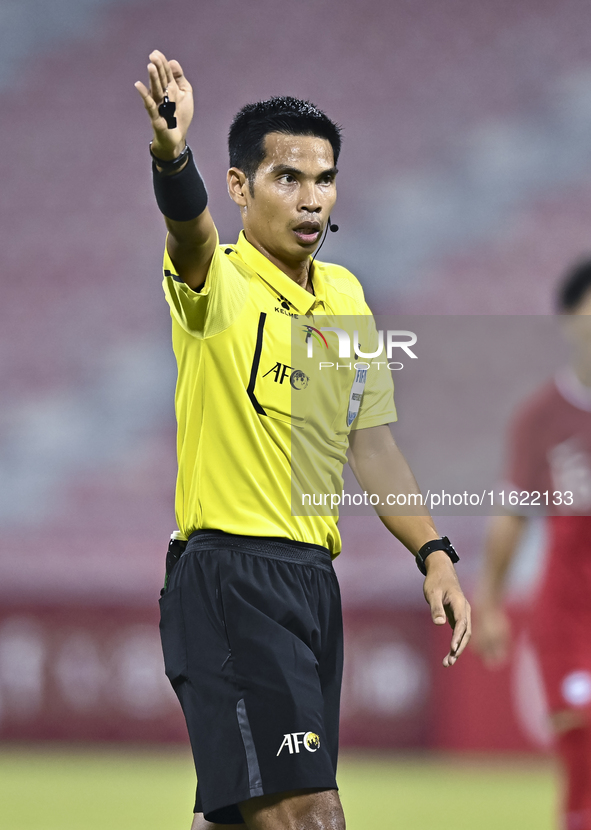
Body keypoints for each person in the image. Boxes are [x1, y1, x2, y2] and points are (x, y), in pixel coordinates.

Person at [135, 50, 471, 830]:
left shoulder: (346, 298)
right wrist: (169, 155)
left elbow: (373, 446)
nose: (310, 198)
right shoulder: (218, 284)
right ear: (239, 186)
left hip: (310, 583)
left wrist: (434, 553)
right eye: (287, 178)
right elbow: (187, 232)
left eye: (323, 179)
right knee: (310, 815)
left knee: (237, 815)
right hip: (230, 579)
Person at [474, 261, 591, 830]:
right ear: (569, 322)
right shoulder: (541, 418)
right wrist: (489, 599)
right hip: (569, 619)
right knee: (583, 748)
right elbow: (510, 516)